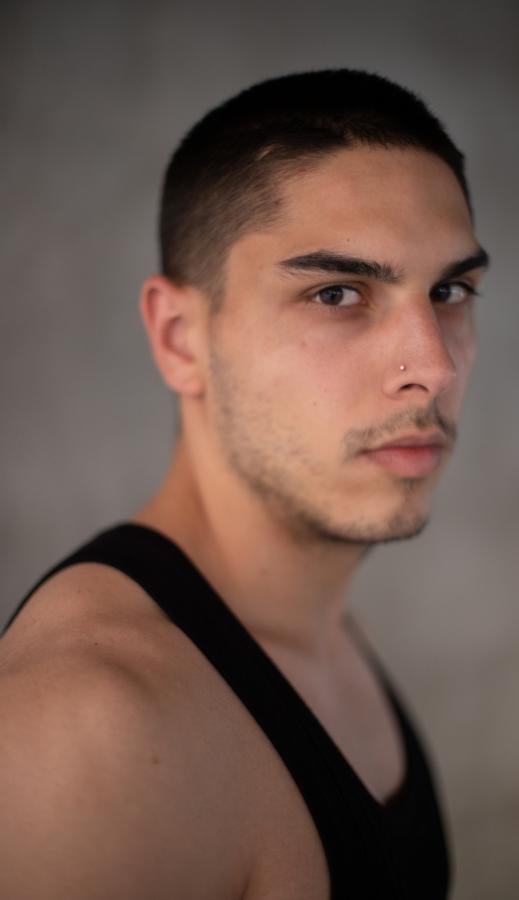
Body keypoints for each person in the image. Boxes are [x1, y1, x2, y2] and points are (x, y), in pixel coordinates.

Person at [0, 68, 490, 899]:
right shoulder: (91, 728)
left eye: (449, 291)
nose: (434, 367)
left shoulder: (312, 626)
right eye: (338, 293)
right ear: (180, 337)